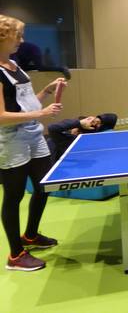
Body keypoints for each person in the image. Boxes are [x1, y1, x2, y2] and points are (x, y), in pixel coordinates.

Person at [0, 14, 64, 271]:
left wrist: (46, 92)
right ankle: (16, 255)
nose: (22, 41)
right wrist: (41, 114)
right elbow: (2, 117)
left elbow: (26, 103)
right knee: (13, 197)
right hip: (11, 140)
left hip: (33, 135)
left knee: (42, 187)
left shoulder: (15, 66)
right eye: (18, 36)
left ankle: (31, 235)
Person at [47, 113, 118, 160]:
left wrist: (79, 123)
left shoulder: (67, 140)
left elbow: (52, 128)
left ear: (78, 131)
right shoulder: (96, 141)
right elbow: (113, 117)